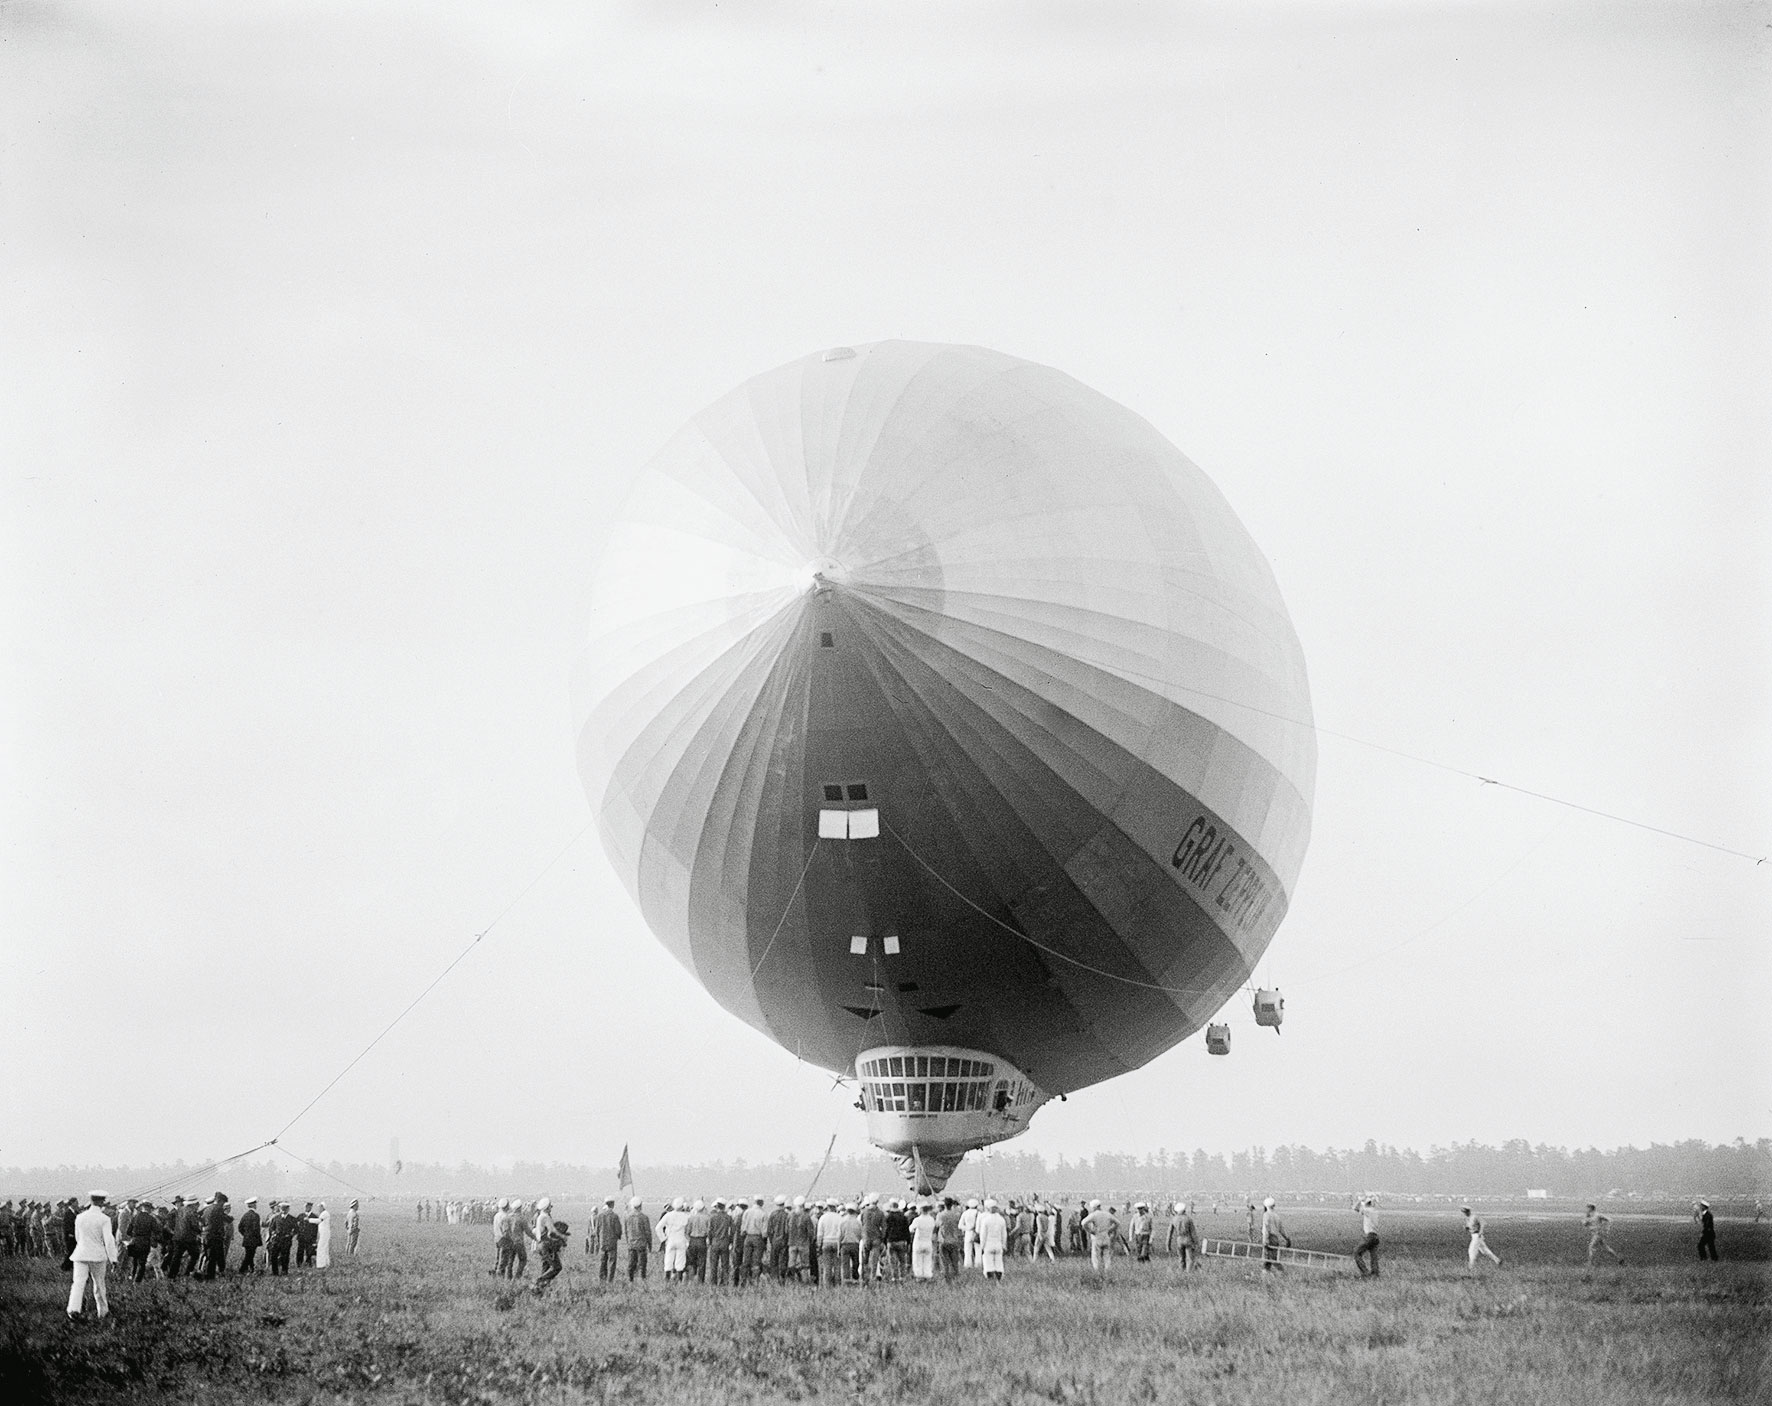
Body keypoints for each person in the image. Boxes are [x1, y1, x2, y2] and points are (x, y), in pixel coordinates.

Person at [67, 1192, 119, 1322]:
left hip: (80, 1254)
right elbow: (108, 1241)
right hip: (97, 1255)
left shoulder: (79, 1217)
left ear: (90, 1201)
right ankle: (103, 1311)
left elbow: (78, 1237)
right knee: (99, 1284)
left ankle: (73, 1310)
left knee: (78, 1283)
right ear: (102, 1202)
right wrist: (113, 1258)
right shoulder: (104, 1219)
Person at [657, 1198, 691, 1282]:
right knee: (680, 1260)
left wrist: (663, 1238)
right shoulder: (686, 1216)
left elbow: (658, 1228)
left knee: (668, 1259)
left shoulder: (668, 1215)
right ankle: (679, 1279)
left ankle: (667, 1278)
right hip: (681, 1239)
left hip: (670, 1239)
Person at [975, 1198, 1008, 1282]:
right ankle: (999, 1279)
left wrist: (982, 1246)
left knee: (988, 1263)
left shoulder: (985, 1220)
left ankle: (990, 1279)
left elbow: (983, 1234)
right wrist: (1004, 1245)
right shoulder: (1001, 1220)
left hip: (988, 1244)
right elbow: (1004, 1234)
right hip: (998, 1244)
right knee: (999, 1263)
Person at [1081, 1199, 1117, 1275]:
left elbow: (1083, 1223)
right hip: (1106, 1237)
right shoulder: (1107, 1214)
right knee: (1107, 1257)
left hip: (1097, 1238)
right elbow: (1117, 1223)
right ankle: (1107, 1272)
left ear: (1094, 1207)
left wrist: (1090, 1231)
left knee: (1095, 1256)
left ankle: (1096, 1272)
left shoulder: (1094, 1215)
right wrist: (1110, 1230)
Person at [593, 1198, 623, 1283]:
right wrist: (618, 1236)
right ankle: (610, 1280)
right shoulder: (615, 1216)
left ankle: (602, 1280)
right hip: (612, 1243)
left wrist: (598, 1240)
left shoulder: (600, 1216)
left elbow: (596, 1230)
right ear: (613, 1205)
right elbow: (618, 1230)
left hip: (603, 1242)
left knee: (603, 1262)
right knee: (612, 1262)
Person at [534, 1216, 568, 1293]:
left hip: (541, 1246)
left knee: (546, 1266)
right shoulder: (546, 1220)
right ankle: (540, 1281)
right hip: (546, 1247)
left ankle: (542, 1288)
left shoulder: (542, 1220)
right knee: (557, 1267)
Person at [707, 1199, 735, 1286]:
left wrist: (710, 1241)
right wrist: (730, 1241)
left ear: (717, 1207)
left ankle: (713, 1283)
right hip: (725, 1242)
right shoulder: (728, 1217)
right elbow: (732, 1231)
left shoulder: (712, 1217)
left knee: (713, 1264)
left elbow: (709, 1231)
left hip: (715, 1242)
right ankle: (724, 1282)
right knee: (725, 1264)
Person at [623, 1198, 651, 1282]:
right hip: (642, 1244)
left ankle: (630, 1280)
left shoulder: (627, 1217)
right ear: (640, 1206)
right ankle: (643, 1280)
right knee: (642, 1264)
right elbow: (648, 1232)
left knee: (631, 1264)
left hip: (631, 1243)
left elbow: (626, 1231)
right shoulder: (644, 1217)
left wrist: (628, 1242)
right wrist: (650, 1244)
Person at [1260, 1198, 1290, 1273]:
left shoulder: (1266, 1215)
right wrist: (1287, 1239)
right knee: (1268, 1260)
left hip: (1270, 1238)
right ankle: (1265, 1277)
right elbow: (1281, 1229)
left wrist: (1265, 1241)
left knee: (1270, 1259)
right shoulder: (1276, 1216)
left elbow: (1267, 1229)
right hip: (1275, 1239)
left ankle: (1281, 1272)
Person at [936, 1198, 963, 1281]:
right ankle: (956, 1277)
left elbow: (937, 1225)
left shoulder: (940, 1215)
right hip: (954, 1240)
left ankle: (947, 1278)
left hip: (943, 1240)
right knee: (955, 1261)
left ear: (944, 1205)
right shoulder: (956, 1215)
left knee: (945, 1262)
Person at [267, 1202, 296, 1276]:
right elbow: (271, 1228)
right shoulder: (276, 1218)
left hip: (286, 1240)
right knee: (274, 1256)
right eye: (282, 1209)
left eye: (285, 1209)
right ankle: (275, 1272)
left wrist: (291, 1235)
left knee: (285, 1256)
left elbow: (296, 1229)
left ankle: (284, 1271)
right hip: (276, 1240)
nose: (283, 1210)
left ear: (288, 1209)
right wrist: (273, 1233)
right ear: (280, 1209)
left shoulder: (292, 1219)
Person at [1354, 1198, 1380, 1278]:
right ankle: (1375, 1275)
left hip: (1370, 1236)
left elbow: (1355, 1208)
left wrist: (1360, 1200)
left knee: (1357, 1253)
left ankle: (1365, 1273)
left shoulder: (1368, 1211)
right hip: (1375, 1236)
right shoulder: (1375, 1212)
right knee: (1373, 1257)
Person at [1173, 1200, 1200, 1270]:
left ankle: (1181, 1270)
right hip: (1188, 1239)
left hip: (1179, 1240)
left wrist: (1168, 1245)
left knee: (1181, 1258)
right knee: (1190, 1258)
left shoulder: (1174, 1219)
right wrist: (1196, 1242)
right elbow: (1193, 1232)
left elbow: (1169, 1233)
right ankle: (1188, 1272)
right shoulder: (1188, 1219)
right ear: (1184, 1210)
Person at [316, 1202, 332, 1269]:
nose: (318, 1209)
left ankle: (321, 1264)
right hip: (324, 1233)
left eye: (319, 1207)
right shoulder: (324, 1213)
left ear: (322, 1207)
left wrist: (309, 1220)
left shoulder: (324, 1213)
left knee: (321, 1248)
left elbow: (319, 1220)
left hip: (324, 1233)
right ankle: (326, 1263)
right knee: (325, 1248)